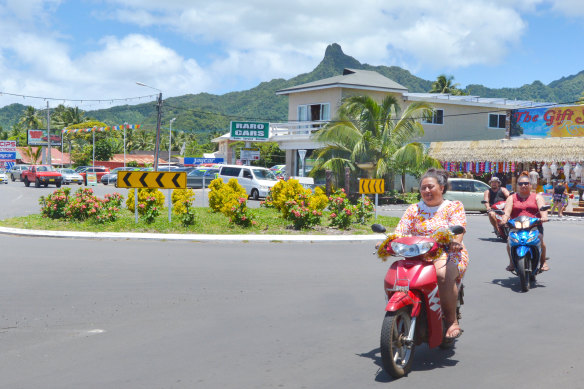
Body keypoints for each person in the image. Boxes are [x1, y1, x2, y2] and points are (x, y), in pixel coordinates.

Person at [393, 168, 468, 340]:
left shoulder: (453, 206)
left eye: (430, 187)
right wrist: (388, 241)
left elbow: (459, 227)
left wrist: (455, 241)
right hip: (416, 254)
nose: (426, 191)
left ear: (441, 188)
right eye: (423, 188)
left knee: (442, 275)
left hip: (448, 252)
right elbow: (401, 230)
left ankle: (451, 321)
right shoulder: (413, 209)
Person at [501, 172, 549, 272]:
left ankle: (543, 261)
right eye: (520, 184)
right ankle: (511, 262)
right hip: (516, 225)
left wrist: (544, 216)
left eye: (526, 183)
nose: (523, 185)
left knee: (540, 239)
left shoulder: (537, 197)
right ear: (517, 186)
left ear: (530, 185)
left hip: (534, 225)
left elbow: (542, 209)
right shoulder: (512, 197)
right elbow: (507, 210)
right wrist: (504, 219)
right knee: (509, 241)